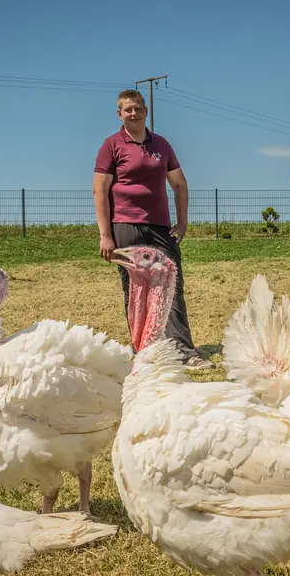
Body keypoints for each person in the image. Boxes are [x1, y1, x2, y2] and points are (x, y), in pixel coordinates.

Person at [93, 89, 215, 370]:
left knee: (171, 285)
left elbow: (180, 184)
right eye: (127, 110)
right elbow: (100, 190)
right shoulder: (111, 145)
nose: (133, 113)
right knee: (134, 290)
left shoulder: (161, 144)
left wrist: (182, 222)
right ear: (119, 114)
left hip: (160, 227)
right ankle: (145, 352)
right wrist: (105, 234)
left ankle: (184, 352)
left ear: (146, 111)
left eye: (137, 108)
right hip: (125, 226)